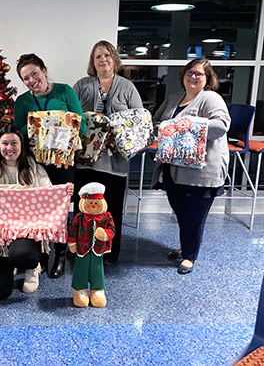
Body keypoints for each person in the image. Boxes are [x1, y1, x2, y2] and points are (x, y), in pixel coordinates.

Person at [0, 124, 74, 300]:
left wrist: (63, 192)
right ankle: (9, 265)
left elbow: (48, 195)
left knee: (23, 255)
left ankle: (32, 268)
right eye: (5, 143)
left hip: (27, 232)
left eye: (14, 143)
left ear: (21, 145)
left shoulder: (34, 168)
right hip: (0, 237)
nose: (9, 148)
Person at [152, 58, 230, 274]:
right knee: (181, 212)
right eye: (190, 72)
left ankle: (189, 256)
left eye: (199, 74)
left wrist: (188, 125)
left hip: (201, 172)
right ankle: (187, 246)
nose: (193, 77)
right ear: (183, 75)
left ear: (208, 79)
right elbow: (158, 121)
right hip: (174, 169)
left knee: (194, 215)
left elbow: (222, 126)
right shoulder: (174, 98)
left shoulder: (210, 98)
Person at [14, 53, 85, 278]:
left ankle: (60, 254)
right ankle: (42, 257)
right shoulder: (22, 102)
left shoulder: (65, 91)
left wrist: (52, 122)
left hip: (63, 164)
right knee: (39, 210)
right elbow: (18, 135)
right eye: (26, 78)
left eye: (35, 73)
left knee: (62, 210)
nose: (32, 80)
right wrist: (42, 125)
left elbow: (80, 128)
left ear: (44, 71)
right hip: (36, 164)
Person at [73, 40, 143, 264]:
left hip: (115, 162)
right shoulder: (82, 85)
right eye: (98, 57)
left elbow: (138, 119)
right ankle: (81, 249)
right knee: (83, 207)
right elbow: (71, 117)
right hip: (86, 160)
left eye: (107, 55)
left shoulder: (127, 87)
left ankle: (109, 252)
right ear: (92, 62)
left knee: (111, 209)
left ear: (114, 58)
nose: (103, 60)